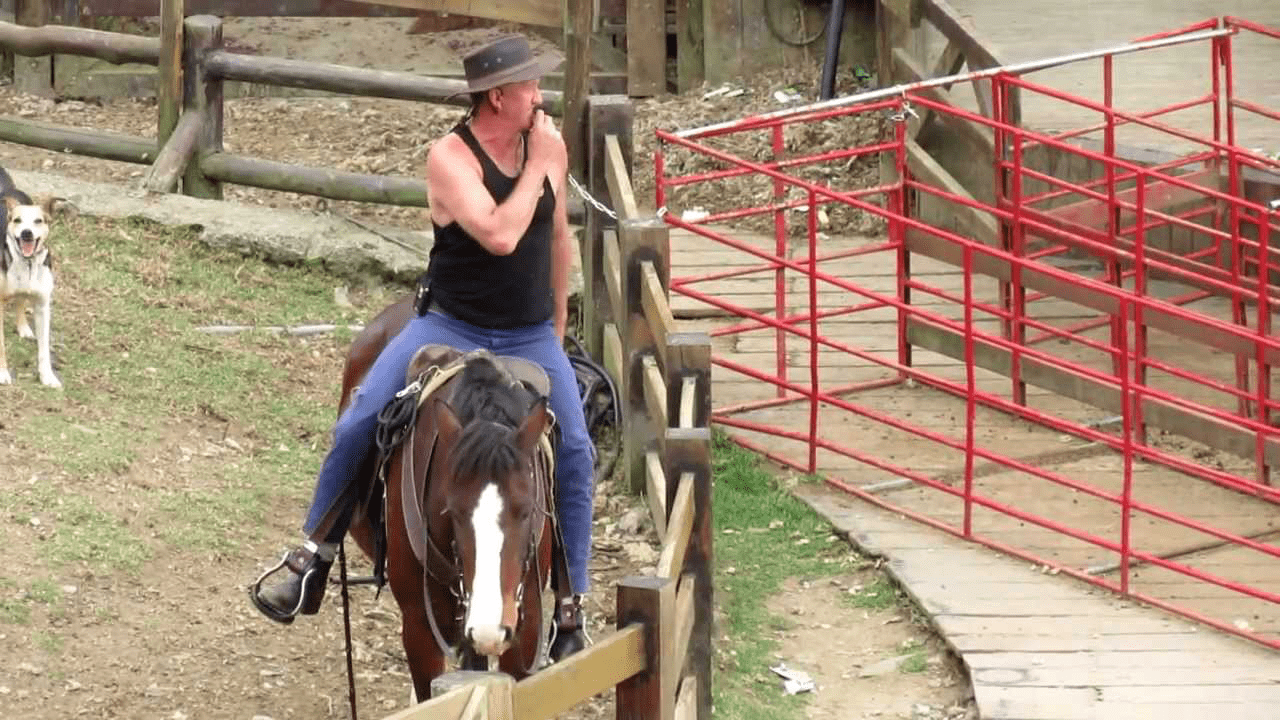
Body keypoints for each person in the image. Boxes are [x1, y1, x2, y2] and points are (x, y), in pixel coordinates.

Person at [249, 34, 595, 660]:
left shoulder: (546, 144)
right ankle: (312, 553)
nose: (539, 97)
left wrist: (558, 326)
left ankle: (571, 604)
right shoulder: (449, 157)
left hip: (527, 331)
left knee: (575, 447)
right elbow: (498, 234)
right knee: (360, 418)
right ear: (498, 96)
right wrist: (542, 164)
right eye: (529, 87)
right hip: (451, 324)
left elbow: (558, 234)